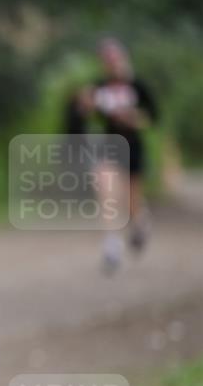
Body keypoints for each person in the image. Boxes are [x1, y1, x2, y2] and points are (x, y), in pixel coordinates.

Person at [66, 38, 157, 274]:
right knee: (106, 192)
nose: (112, 64)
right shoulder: (98, 87)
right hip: (110, 145)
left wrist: (134, 118)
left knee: (131, 201)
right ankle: (112, 245)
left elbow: (153, 117)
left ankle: (139, 224)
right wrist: (82, 106)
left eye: (115, 59)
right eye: (107, 60)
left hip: (133, 146)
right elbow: (78, 117)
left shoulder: (138, 86)